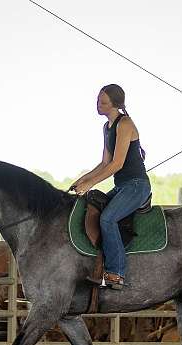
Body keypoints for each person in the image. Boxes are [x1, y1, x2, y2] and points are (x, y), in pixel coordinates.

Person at [71, 84, 151, 289]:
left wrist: (91, 183)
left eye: (103, 102)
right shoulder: (106, 127)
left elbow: (117, 164)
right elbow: (105, 162)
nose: (98, 104)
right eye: (98, 100)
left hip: (136, 186)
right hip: (122, 186)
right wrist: (83, 179)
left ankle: (116, 272)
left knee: (108, 219)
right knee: (92, 210)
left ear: (115, 104)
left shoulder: (125, 124)